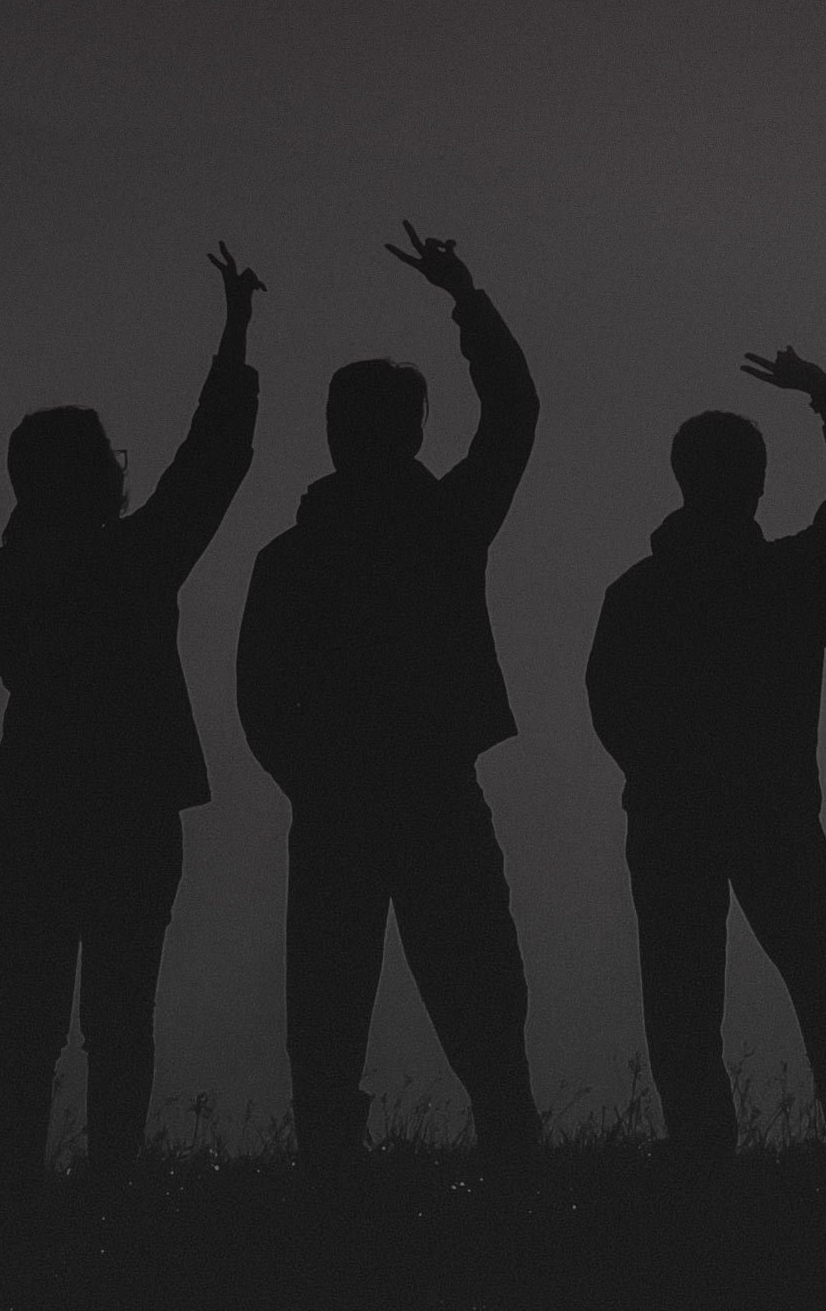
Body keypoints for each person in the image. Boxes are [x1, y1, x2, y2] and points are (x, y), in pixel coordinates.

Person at [0, 243, 263, 1200]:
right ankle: (111, 1192)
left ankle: (18, 1194)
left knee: (26, 1023)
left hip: (34, 812)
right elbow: (212, 463)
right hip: (134, 812)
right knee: (120, 1022)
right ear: (98, 477)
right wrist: (235, 340)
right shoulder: (138, 559)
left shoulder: (8, 578)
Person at [236, 222, 542, 1168]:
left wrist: (313, 778)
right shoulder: (445, 524)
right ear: (412, 433)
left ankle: (331, 1181)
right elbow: (514, 411)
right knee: (479, 1000)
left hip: (336, 805)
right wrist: (466, 298)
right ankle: (513, 1168)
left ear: (335, 433)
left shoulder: (294, 556)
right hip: (434, 792)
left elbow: (260, 700)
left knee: (327, 1014)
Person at [585, 347, 826, 1163]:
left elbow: (610, 706)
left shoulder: (638, 594)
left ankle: (702, 1157)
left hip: (671, 818)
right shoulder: (788, 582)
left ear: (682, 479)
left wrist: (661, 775)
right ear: (758, 484)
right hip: (774, 816)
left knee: (682, 1002)